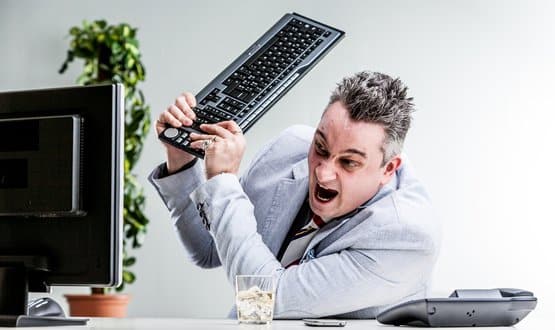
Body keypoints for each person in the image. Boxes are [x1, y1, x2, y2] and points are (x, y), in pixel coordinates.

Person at [149, 71, 441, 319]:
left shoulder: (406, 235)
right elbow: (209, 250)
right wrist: (182, 159)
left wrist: (224, 182)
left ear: (388, 168)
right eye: (321, 148)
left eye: (349, 162)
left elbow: (262, 300)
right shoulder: (289, 150)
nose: (323, 173)